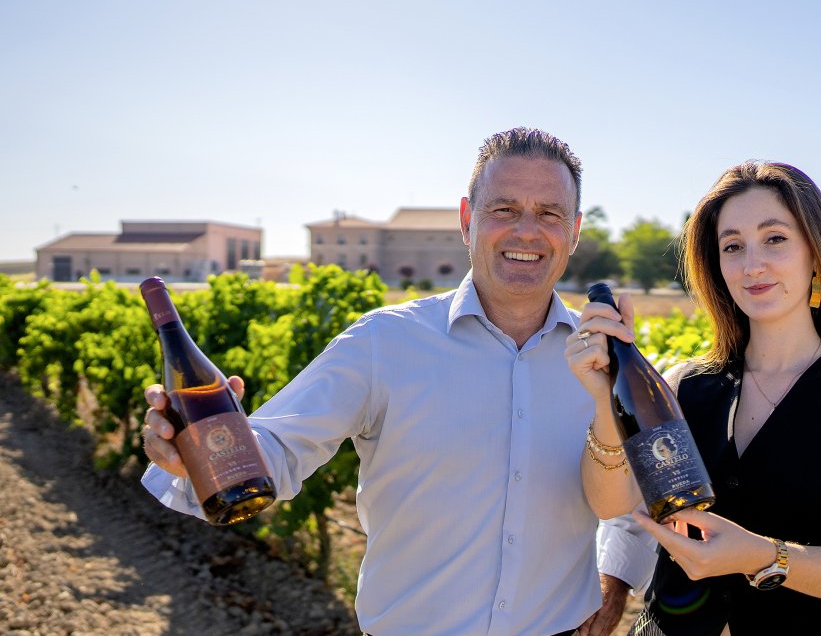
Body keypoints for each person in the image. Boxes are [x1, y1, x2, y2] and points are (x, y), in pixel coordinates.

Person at [141, 128, 657, 636]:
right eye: (504, 209)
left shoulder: (610, 358)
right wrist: (198, 457)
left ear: (574, 231)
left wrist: (614, 587)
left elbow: (633, 495)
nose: (527, 230)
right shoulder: (383, 343)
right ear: (466, 220)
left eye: (549, 213)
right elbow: (278, 443)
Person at [567, 160, 821, 634]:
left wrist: (761, 556)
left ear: (815, 252)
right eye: (732, 246)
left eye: (775, 238)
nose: (752, 265)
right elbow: (611, 505)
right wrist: (606, 398)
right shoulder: (682, 385)